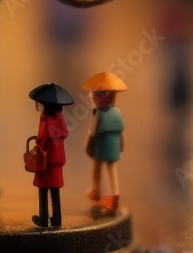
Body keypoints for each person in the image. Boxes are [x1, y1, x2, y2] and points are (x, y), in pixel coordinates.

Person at [27, 82, 72, 228]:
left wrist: (36, 146)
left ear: (45, 105)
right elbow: (64, 134)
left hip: (46, 158)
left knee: (43, 189)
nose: (38, 108)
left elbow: (42, 138)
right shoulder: (60, 118)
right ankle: (57, 219)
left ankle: (43, 218)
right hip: (58, 157)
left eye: (39, 105)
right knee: (55, 189)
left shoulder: (45, 120)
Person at [81, 72, 127, 213]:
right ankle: (115, 193)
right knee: (111, 168)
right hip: (113, 147)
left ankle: (96, 191)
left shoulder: (99, 114)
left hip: (101, 147)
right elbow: (120, 130)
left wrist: (89, 141)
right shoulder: (116, 112)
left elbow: (94, 131)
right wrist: (120, 145)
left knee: (97, 167)